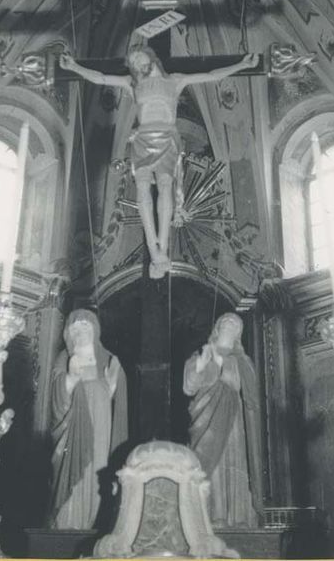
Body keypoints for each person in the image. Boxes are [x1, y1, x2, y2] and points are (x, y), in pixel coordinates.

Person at [60, 48, 258, 279]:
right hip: (143, 138)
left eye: (137, 58)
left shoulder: (175, 80)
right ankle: (153, 248)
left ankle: (162, 247)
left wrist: (242, 65)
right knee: (142, 189)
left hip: (167, 138)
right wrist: (74, 67)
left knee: (165, 187)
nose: (135, 63)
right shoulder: (131, 83)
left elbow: (212, 74)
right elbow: (101, 78)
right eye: (132, 62)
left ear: (150, 56)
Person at [48, 309, 128, 530]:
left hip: (101, 427)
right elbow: (57, 399)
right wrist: (71, 378)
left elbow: (114, 401)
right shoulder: (64, 358)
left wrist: (112, 387)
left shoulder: (108, 359)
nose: (80, 330)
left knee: (97, 471)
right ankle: (67, 524)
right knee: (74, 472)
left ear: (95, 330)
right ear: (68, 334)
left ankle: (93, 522)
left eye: (85, 325)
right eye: (75, 327)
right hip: (72, 428)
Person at [183, 312, 264, 528]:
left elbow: (245, 388)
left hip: (233, 419)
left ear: (239, 333)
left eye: (234, 324)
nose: (229, 324)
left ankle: (237, 517)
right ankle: (211, 515)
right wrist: (200, 365)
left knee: (233, 462)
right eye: (225, 322)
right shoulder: (201, 353)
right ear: (217, 328)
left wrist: (222, 363)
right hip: (205, 418)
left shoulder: (243, 361)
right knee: (209, 464)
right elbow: (189, 386)